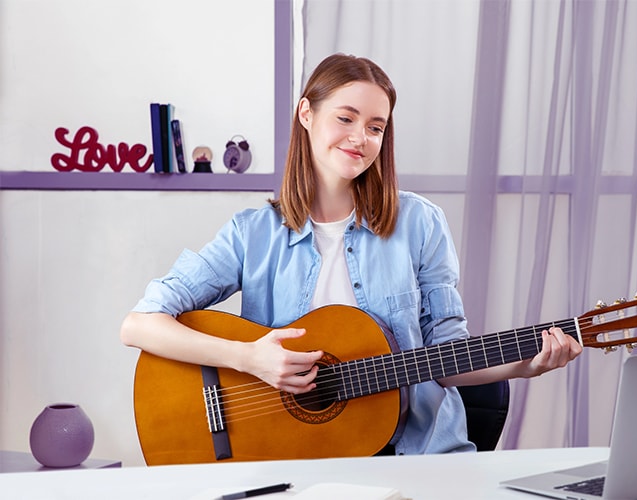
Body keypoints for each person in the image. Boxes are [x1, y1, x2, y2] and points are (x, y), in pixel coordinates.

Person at [120, 53, 582, 455]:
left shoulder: (421, 224)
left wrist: (527, 364)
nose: (360, 138)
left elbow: (445, 355)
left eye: (375, 126)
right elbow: (139, 324)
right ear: (306, 113)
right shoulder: (251, 234)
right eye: (346, 118)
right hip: (296, 460)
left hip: (417, 456)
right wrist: (248, 358)